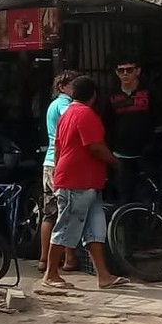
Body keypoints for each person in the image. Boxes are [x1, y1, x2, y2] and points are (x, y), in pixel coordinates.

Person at [42, 76, 128, 291]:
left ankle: (104, 276)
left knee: (95, 229)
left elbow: (59, 148)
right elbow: (95, 147)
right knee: (66, 227)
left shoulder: (67, 114)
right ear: (94, 95)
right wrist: (115, 162)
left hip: (84, 181)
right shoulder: (85, 114)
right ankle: (51, 274)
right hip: (77, 181)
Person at [104, 56, 160, 204]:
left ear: (138, 71)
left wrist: (154, 145)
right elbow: (107, 125)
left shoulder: (150, 93)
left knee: (147, 198)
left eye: (129, 70)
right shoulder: (111, 97)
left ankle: (147, 226)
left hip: (146, 155)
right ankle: (124, 226)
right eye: (121, 70)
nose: (125, 74)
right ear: (117, 73)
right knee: (124, 196)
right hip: (121, 156)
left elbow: (159, 119)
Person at [39, 70, 79, 274]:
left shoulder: (53, 105)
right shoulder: (65, 104)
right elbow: (73, 121)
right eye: (73, 85)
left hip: (49, 163)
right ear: (62, 87)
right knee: (66, 211)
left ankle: (44, 258)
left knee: (49, 213)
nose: (75, 89)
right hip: (59, 162)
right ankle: (69, 258)